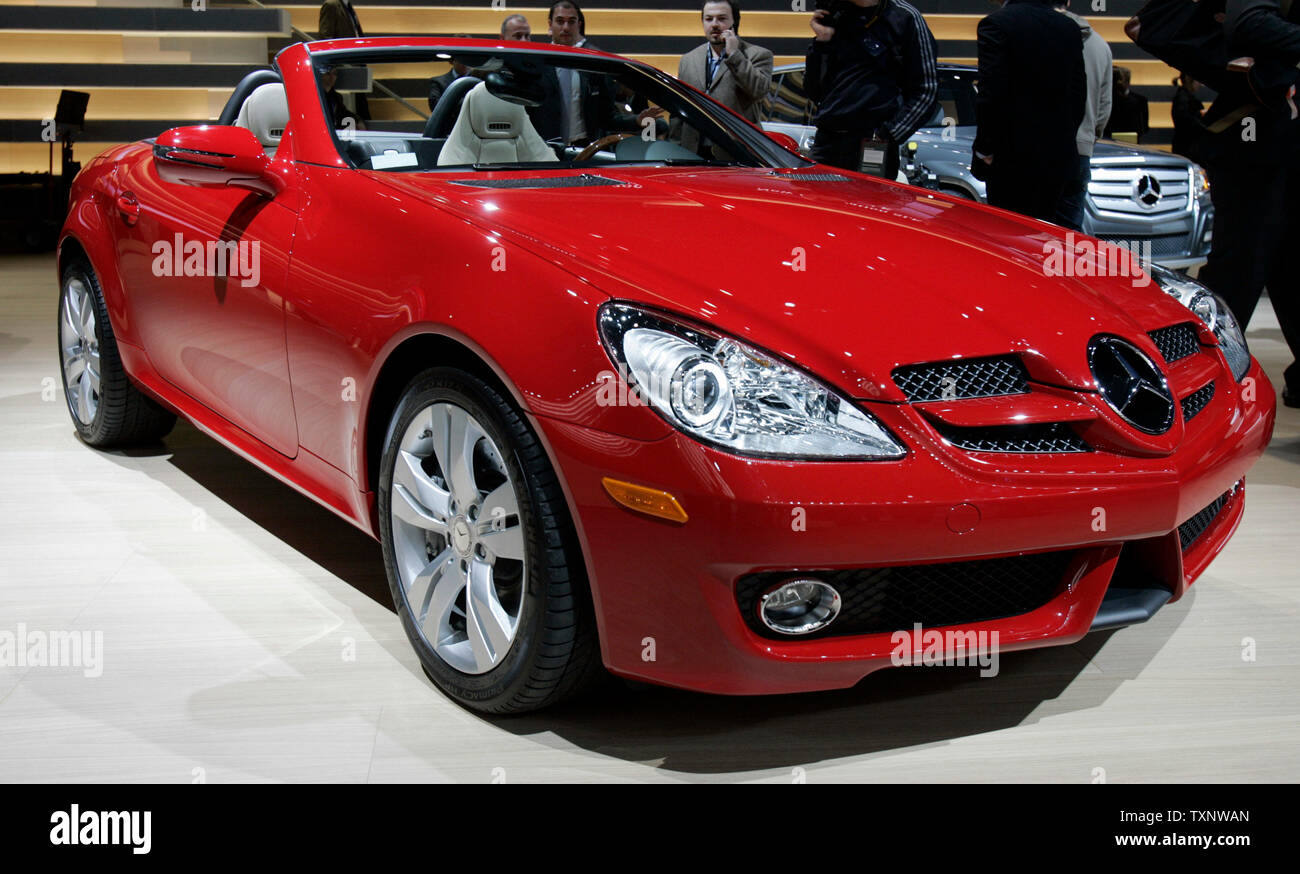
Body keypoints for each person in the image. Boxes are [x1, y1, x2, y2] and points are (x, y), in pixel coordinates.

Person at [1197, 0, 1300, 408]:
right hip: (1257, 145)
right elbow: (1249, 22)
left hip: (1274, 145)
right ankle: (1205, 373)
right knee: (1241, 266)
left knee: (1280, 266)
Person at [972, 0, 1085, 221]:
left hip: (1010, 158)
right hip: (1057, 156)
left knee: (1008, 236)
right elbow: (1078, 94)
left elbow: (991, 92)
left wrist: (985, 148)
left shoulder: (996, 24)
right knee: (1045, 237)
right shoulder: (1068, 27)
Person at [804, 0, 938, 179]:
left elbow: (927, 90)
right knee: (820, 205)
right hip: (827, 142)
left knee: (867, 205)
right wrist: (822, 41)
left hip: (874, 144)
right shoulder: (834, 14)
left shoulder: (904, 17)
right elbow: (813, 90)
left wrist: (888, 135)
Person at [544, 1, 660, 145]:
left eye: (571, 22)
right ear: (550, 25)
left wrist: (636, 120)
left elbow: (607, 118)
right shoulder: (539, 63)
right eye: (560, 22)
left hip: (584, 148)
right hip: (544, 149)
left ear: (579, 25)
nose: (566, 28)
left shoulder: (594, 65)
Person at [674, 2, 774, 154]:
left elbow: (758, 91)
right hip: (693, 152)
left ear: (734, 22)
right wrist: (674, 146)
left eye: (721, 19)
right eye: (709, 19)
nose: (714, 25)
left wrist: (734, 55)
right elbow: (679, 107)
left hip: (737, 152)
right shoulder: (688, 59)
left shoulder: (758, 55)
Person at [1052, 0, 1111, 231]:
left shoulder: (1042, 36)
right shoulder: (1100, 44)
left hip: (1043, 147)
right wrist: (1088, 137)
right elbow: (1104, 107)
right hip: (1081, 149)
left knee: (1033, 232)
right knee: (1070, 232)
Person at [318, 0, 369, 120]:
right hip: (344, 69)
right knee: (349, 115)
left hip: (355, 68)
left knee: (361, 114)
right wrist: (335, 67)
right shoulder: (331, 5)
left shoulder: (348, 7)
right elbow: (325, 38)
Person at [428, 35, 473, 112]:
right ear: (451, 60)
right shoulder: (438, 82)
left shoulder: (480, 80)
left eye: (469, 58)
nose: (465, 63)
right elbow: (436, 107)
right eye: (461, 59)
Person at [1103, 66, 1148, 141]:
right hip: (1110, 139)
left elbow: (1143, 127)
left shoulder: (1140, 100)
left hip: (1128, 141)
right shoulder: (1136, 101)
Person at [1170, 73, 1206, 165]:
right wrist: (1200, 114)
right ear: (1189, 81)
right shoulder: (1182, 98)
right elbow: (1185, 120)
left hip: (1186, 145)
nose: (1201, 84)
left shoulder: (1184, 97)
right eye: (1198, 81)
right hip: (1186, 147)